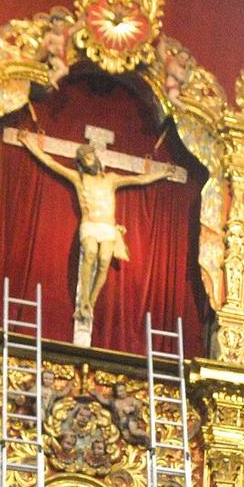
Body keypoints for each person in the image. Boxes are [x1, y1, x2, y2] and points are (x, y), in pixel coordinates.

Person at [19, 131, 180, 343]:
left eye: (91, 156)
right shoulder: (78, 179)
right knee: (91, 254)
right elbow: (50, 163)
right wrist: (29, 143)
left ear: (95, 159)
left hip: (107, 227)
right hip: (89, 224)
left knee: (104, 260)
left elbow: (139, 180)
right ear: (81, 162)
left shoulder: (111, 179)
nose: (89, 160)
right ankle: (83, 299)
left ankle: (90, 303)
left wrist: (162, 173)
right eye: (85, 158)